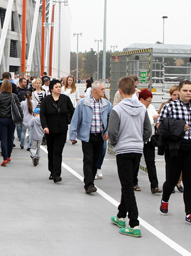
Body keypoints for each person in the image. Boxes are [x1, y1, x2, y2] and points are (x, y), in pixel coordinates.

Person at [157, 80, 191, 227]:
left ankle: (189, 213)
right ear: (179, 91)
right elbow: (159, 125)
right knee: (171, 180)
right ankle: (165, 201)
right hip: (174, 147)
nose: (188, 93)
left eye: (190, 91)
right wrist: (177, 127)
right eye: (185, 90)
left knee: (189, 181)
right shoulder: (170, 106)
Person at [108, 77, 152, 238]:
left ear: (119, 91)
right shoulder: (142, 108)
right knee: (128, 182)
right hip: (137, 149)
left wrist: (115, 143)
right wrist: (140, 139)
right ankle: (121, 215)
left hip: (123, 150)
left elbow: (112, 131)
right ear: (135, 91)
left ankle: (133, 223)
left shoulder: (117, 110)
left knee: (127, 186)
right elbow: (148, 130)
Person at [69, 81, 113, 194]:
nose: (104, 91)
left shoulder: (106, 104)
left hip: (99, 136)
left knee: (95, 160)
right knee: (88, 159)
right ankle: (89, 184)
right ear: (94, 90)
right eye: (102, 89)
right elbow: (75, 119)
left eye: (104, 89)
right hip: (87, 136)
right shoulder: (83, 103)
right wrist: (72, 135)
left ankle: (91, 180)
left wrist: (107, 131)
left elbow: (110, 119)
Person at [40, 79, 75, 183]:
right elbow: (42, 114)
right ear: (51, 89)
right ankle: (51, 170)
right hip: (49, 130)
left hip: (62, 129)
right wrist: (45, 126)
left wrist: (70, 121)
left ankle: (57, 174)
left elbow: (72, 111)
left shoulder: (65, 99)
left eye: (60, 86)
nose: (59, 88)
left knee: (58, 151)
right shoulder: (46, 100)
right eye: (56, 87)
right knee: (51, 151)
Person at [158, 85, 184, 193]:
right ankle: (170, 182)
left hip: (182, 138)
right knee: (170, 164)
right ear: (170, 95)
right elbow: (160, 123)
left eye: (178, 95)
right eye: (174, 95)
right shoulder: (166, 106)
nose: (176, 97)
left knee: (182, 164)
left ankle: (178, 182)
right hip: (170, 138)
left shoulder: (186, 106)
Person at [137, 89, 162, 194]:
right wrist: (153, 118)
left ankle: (154, 185)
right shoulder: (138, 108)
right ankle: (134, 182)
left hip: (149, 138)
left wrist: (154, 118)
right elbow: (142, 120)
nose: (149, 103)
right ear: (141, 100)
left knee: (151, 162)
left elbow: (155, 118)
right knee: (136, 161)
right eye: (148, 101)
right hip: (139, 138)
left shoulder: (150, 107)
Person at [0, 79, 23, 166]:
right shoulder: (14, 96)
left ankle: (5, 157)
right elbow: (19, 108)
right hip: (11, 119)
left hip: (2, 119)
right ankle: (9, 155)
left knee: (3, 138)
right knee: (10, 138)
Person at [16, 77, 31, 149]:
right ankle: (28, 145)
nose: (25, 83)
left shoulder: (27, 90)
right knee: (20, 127)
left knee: (23, 131)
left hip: (24, 114)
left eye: (26, 82)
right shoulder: (17, 90)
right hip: (26, 115)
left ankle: (22, 143)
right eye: (24, 82)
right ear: (20, 82)